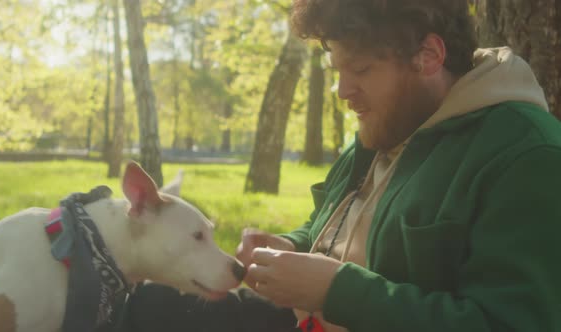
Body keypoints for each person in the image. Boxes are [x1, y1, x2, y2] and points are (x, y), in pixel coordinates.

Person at [119, 0, 561, 331]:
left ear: (429, 56)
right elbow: (328, 228)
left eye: (362, 69)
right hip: (299, 319)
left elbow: (510, 323)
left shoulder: (524, 155)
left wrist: (337, 291)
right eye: (336, 69)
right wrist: (291, 247)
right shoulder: (386, 127)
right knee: (133, 306)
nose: (341, 90)